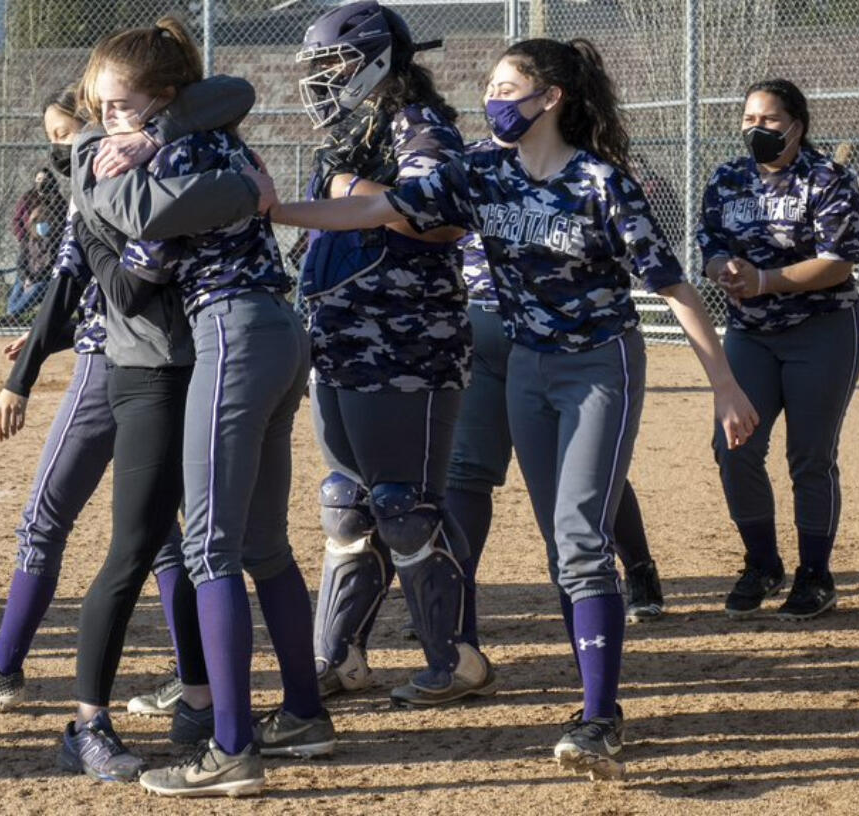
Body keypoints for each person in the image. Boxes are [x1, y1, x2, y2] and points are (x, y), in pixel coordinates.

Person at [255, 37, 758, 781]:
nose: (493, 100)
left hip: (599, 365)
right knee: (563, 549)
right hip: (527, 365)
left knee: (580, 537)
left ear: (551, 98)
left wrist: (723, 382)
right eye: (490, 86)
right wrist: (276, 209)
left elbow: (673, 286)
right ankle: (594, 704)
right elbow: (382, 209)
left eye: (507, 87)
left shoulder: (599, 182)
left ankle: (599, 717)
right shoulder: (482, 172)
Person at [75, 17, 333, 797]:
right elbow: (244, 171)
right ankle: (304, 713)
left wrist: (151, 144)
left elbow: (140, 214)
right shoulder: (217, 137)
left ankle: (231, 747)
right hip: (283, 331)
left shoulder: (167, 144)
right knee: (263, 545)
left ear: (163, 99)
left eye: (122, 106)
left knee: (210, 548)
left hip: (231, 329)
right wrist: (177, 148)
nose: (109, 123)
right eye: (104, 109)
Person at [0, 85, 223, 728]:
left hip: (106, 364)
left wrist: (23, 377)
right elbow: (82, 293)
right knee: (162, 532)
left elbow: (73, 287)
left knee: (47, 517)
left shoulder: (98, 187)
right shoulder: (157, 169)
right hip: (160, 360)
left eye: (65, 134)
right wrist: (40, 337)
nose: (58, 148)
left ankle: (4, 666)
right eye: (54, 137)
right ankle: (192, 677)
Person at [285, 0, 496, 708]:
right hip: (342, 341)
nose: (324, 80)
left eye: (334, 64)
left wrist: (354, 189)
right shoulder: (354, 133)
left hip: (408, 344)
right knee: (348, 504)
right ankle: (340, 656)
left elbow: (444, 215)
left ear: (377, 58)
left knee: (406, 505)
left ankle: (455, 657)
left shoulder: (419, 124)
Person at [446, 140, 666, 625]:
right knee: (465, 472)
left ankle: (639, 567)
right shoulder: (471, 162)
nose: (500, 100)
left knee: (584, 473)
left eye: (511, 87)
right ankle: (456, 611)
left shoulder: (579, 163)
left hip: (559, 330)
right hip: (480, 322)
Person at [698, 79, 859, 621]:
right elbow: (710, 243)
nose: (755, 129)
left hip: (822, 329)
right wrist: (720, 267)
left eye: (767, 120)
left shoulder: (829, 178)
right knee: (735, 447)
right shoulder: (728, 178)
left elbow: (838, 261)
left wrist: (767, 279)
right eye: (749, 119)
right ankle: (762, 562)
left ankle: (815, 574)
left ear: (797, 125)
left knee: (810, 457)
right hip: (750, 333)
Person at [4, 167, 64, 321]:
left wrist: (34, 279)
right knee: (20, 282)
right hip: (30, 240)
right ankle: (11, 313)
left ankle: (11, 316)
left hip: (49, 242)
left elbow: (62, 221)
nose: (41, 183)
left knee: (38, 286)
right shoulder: (28, 198)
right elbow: (17, 220)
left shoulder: (57, 200)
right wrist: (26, 237)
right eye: (38, 180)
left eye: (45, 180)